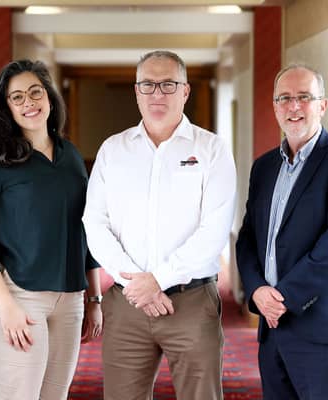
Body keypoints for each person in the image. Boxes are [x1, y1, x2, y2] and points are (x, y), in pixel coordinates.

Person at [83, 50, 236, 399]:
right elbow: (94, 222)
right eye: (148, 85)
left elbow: (214, 230)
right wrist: (136, 283)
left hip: (192, 302)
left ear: (185, 91)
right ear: (136, 91)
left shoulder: (212, 149)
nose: (157, 94)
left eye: (168, 84)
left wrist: (159, 280)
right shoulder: (113, 150)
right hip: (126, 304)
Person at [0, 59, 102, 400]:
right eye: (17, 97)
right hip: (15, 296)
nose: (29, 102)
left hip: (69, 299)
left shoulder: (69, 155)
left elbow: (86, 226)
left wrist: (94, 297)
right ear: (6, 107)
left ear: (50, 98)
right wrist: (5, 306)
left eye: (35, 92)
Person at [235, 64, 328, 400]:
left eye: (304, 98)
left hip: (322, 322)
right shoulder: (264, 166)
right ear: (275, 107)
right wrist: (256, 291)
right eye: (284, 98)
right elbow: (249, 236)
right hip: (272, 323)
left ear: (322, 105)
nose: (294, 106)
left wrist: (283, 298)